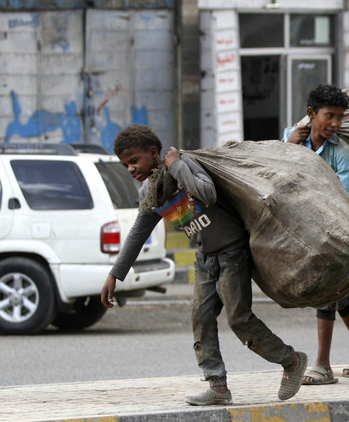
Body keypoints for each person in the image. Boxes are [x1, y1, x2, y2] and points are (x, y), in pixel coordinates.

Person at [101, 124, 307, 406]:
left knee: (239, 319)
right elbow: (139, 231)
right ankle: (217, 386)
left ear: (153, 152)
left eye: (134, 161)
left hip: (233, 253)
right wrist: (115, 274)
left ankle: (291, 360)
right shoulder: (150, 191)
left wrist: (176, 166)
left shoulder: (186, 164)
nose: (130, 169)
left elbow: (207, 193)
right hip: (205, 258)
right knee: (201, 319)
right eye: (125, 165)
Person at [283, 84, 349, 386]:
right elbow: (276, 172)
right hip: (304, 233)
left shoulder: (343, 154)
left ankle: (323, 365)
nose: (335, 124)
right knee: (339, 295)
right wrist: (289, 146)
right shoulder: (290, 138)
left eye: (340, 118)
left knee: (327, 292)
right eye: (329, 116)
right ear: (311, 114)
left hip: (336, 234)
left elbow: (343, 198)